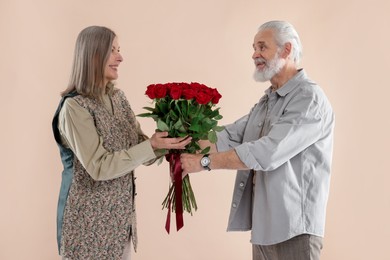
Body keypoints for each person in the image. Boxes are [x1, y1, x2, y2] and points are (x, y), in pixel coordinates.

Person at [180, 20, 335, 260]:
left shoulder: (308, 98)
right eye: (254, 48)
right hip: (264, 229)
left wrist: (203, 163)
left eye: (262, 47)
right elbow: (228, 137)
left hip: (295, 231)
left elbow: (268, 152)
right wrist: (179, 139)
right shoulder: (268, 101)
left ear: (286, 50)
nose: (254, 55)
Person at [52, 26, 191, 260]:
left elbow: (139, 145)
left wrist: (173, 143)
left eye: (119, 50)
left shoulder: (118, 97)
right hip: (87, 226)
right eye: (113, 50)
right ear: (94, 55)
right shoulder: (75, 107)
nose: (120, 57)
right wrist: (152, 146)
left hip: (120, 222)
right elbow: (99, 166)